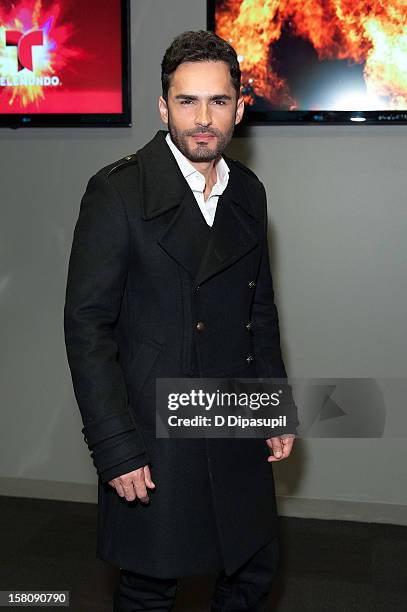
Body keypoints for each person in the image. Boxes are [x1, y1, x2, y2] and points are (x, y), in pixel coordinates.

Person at [64, 30, 298, 612]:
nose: (202, 118)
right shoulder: (116, 192)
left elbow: (259, 310)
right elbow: (86, 326)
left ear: (240, 109)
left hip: (234, 418)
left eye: (218, 101)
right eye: (187, 101)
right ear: (163, 106)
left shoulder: (249, 190)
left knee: (250, 570)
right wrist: (116, 447)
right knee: (151, 586)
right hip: (153, 431)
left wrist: (273, 407)